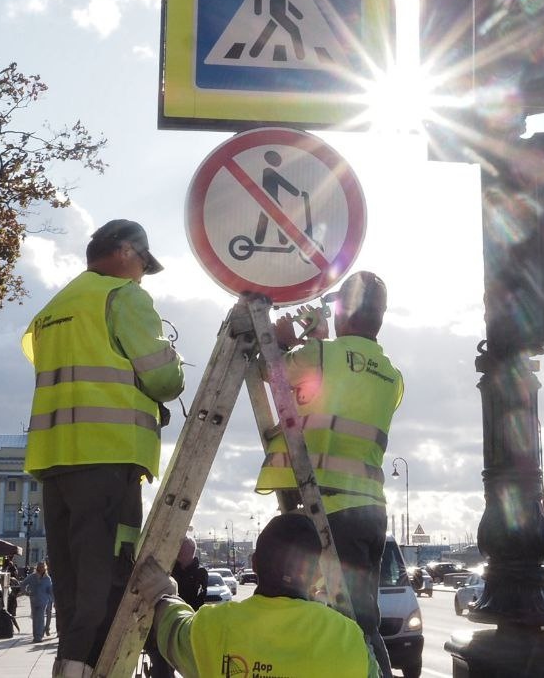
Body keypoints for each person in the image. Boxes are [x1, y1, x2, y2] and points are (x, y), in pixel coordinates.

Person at [22, 219, 185, 678]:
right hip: (107, 459)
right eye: (142, 266)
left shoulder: (55, 308)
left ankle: (70, 664)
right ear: (128, 252)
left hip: (55, 461)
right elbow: (163, 379)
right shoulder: (123, 296)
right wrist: (172, 360)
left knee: (73, 586)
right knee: (109, 582)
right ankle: (88, 669)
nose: (142, 276)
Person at [256, 271, 404, 675]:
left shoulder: (323, 355)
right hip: (371, 511)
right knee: (363, 619)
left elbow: (272, 372)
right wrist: (320, 341)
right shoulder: (392, 376)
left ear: (344, 311)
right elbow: (347, 387)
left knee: (346, 626)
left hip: (330, 506)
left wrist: (289, 339)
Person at [147, 514, 380, 678]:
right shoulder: (349, 638)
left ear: (254, 564)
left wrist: (165, 593)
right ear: (318, 573)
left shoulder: (213, 628)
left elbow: (172, 627)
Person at [146, 537, 211, 677]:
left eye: (182, 548)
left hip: (187, 622)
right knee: (161, 664)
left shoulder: (200, 573)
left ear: (190, 551)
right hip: (165, 621)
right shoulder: (170, 569)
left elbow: (198, 600)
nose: (178, 551)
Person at [20, 562, 55, 643]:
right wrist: (25, 592)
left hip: (44, 600)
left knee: (40, 617)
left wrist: (53, 600)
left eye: (43, 567)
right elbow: (23, 584)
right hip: (34, 600)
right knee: (35, 618)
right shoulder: (32, 576)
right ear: (37, 568)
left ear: (45, 568)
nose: (41, 568)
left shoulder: (47, 578)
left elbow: (50, 590)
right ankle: (36, 635)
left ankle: (38, 636)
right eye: (40, 567)